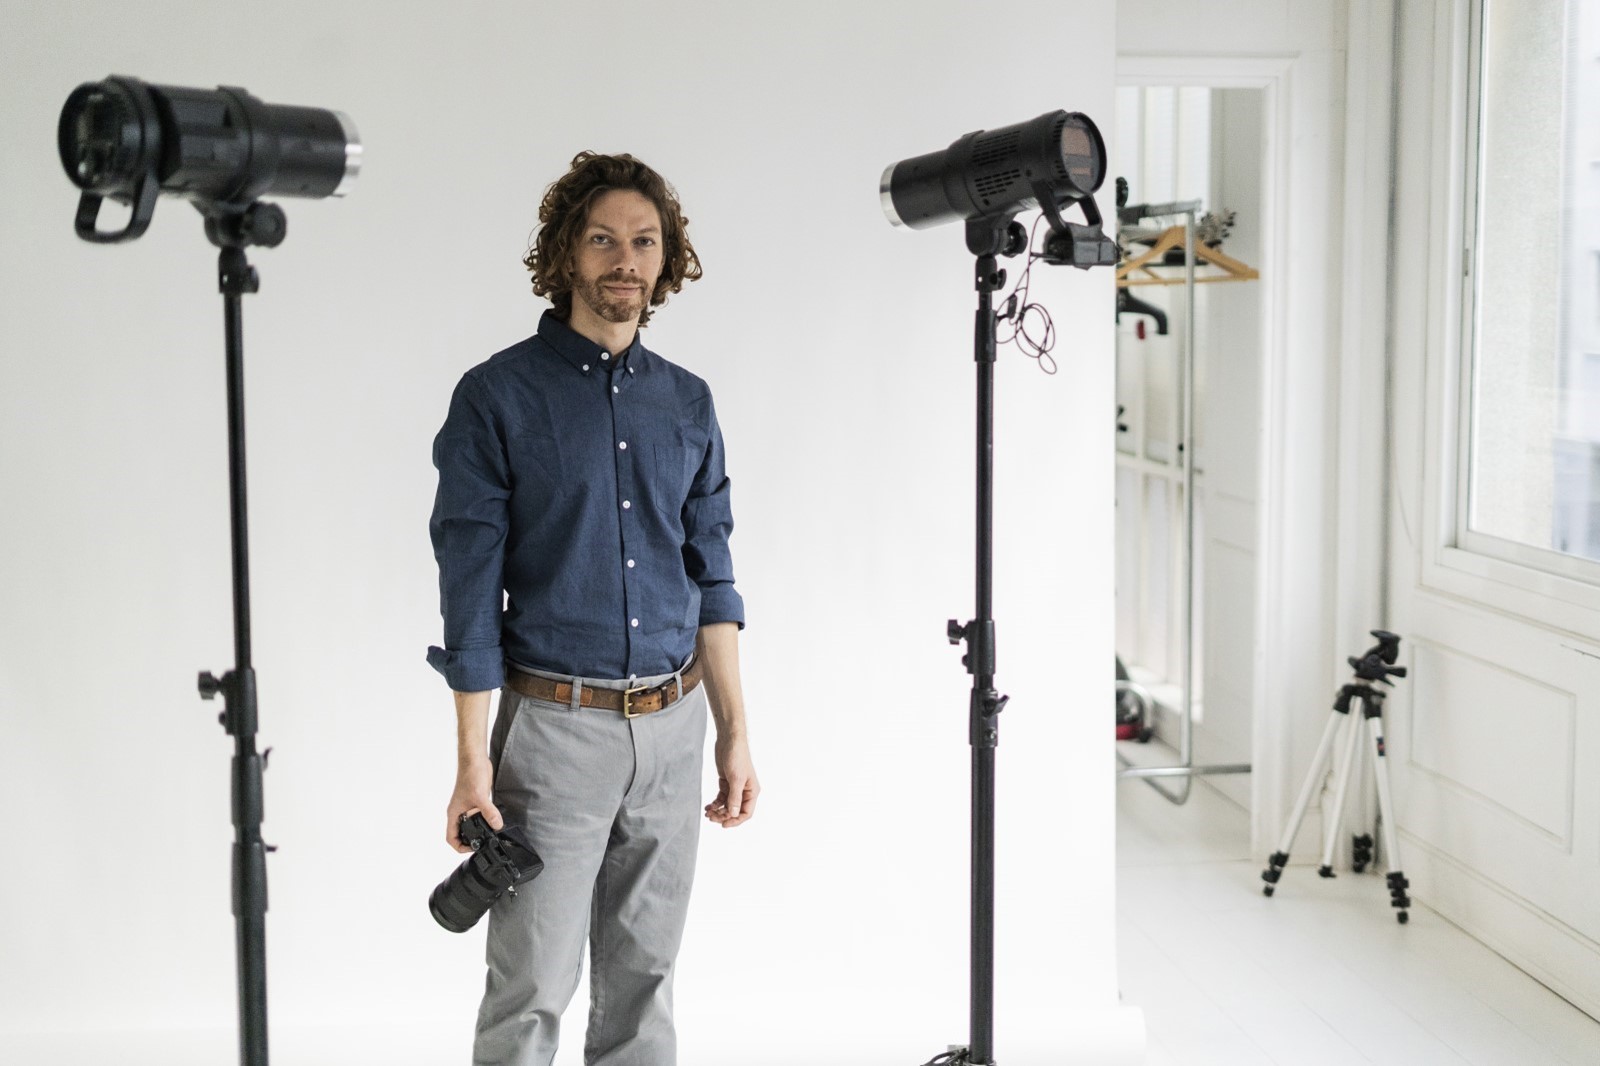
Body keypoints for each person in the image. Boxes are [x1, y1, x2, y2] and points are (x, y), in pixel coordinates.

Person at [427, 150, 758, 1066]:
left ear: (666, 259)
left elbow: (714, 577)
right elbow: (469, 597)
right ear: (568, 253)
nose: (625, 259)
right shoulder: (496, 397)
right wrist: (470, 766)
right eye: (604, 239)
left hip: (673, 723)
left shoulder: (688, 403)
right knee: (531, 989)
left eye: (644, 242)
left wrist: (733, 730)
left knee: (645, 984)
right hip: (553, 732)